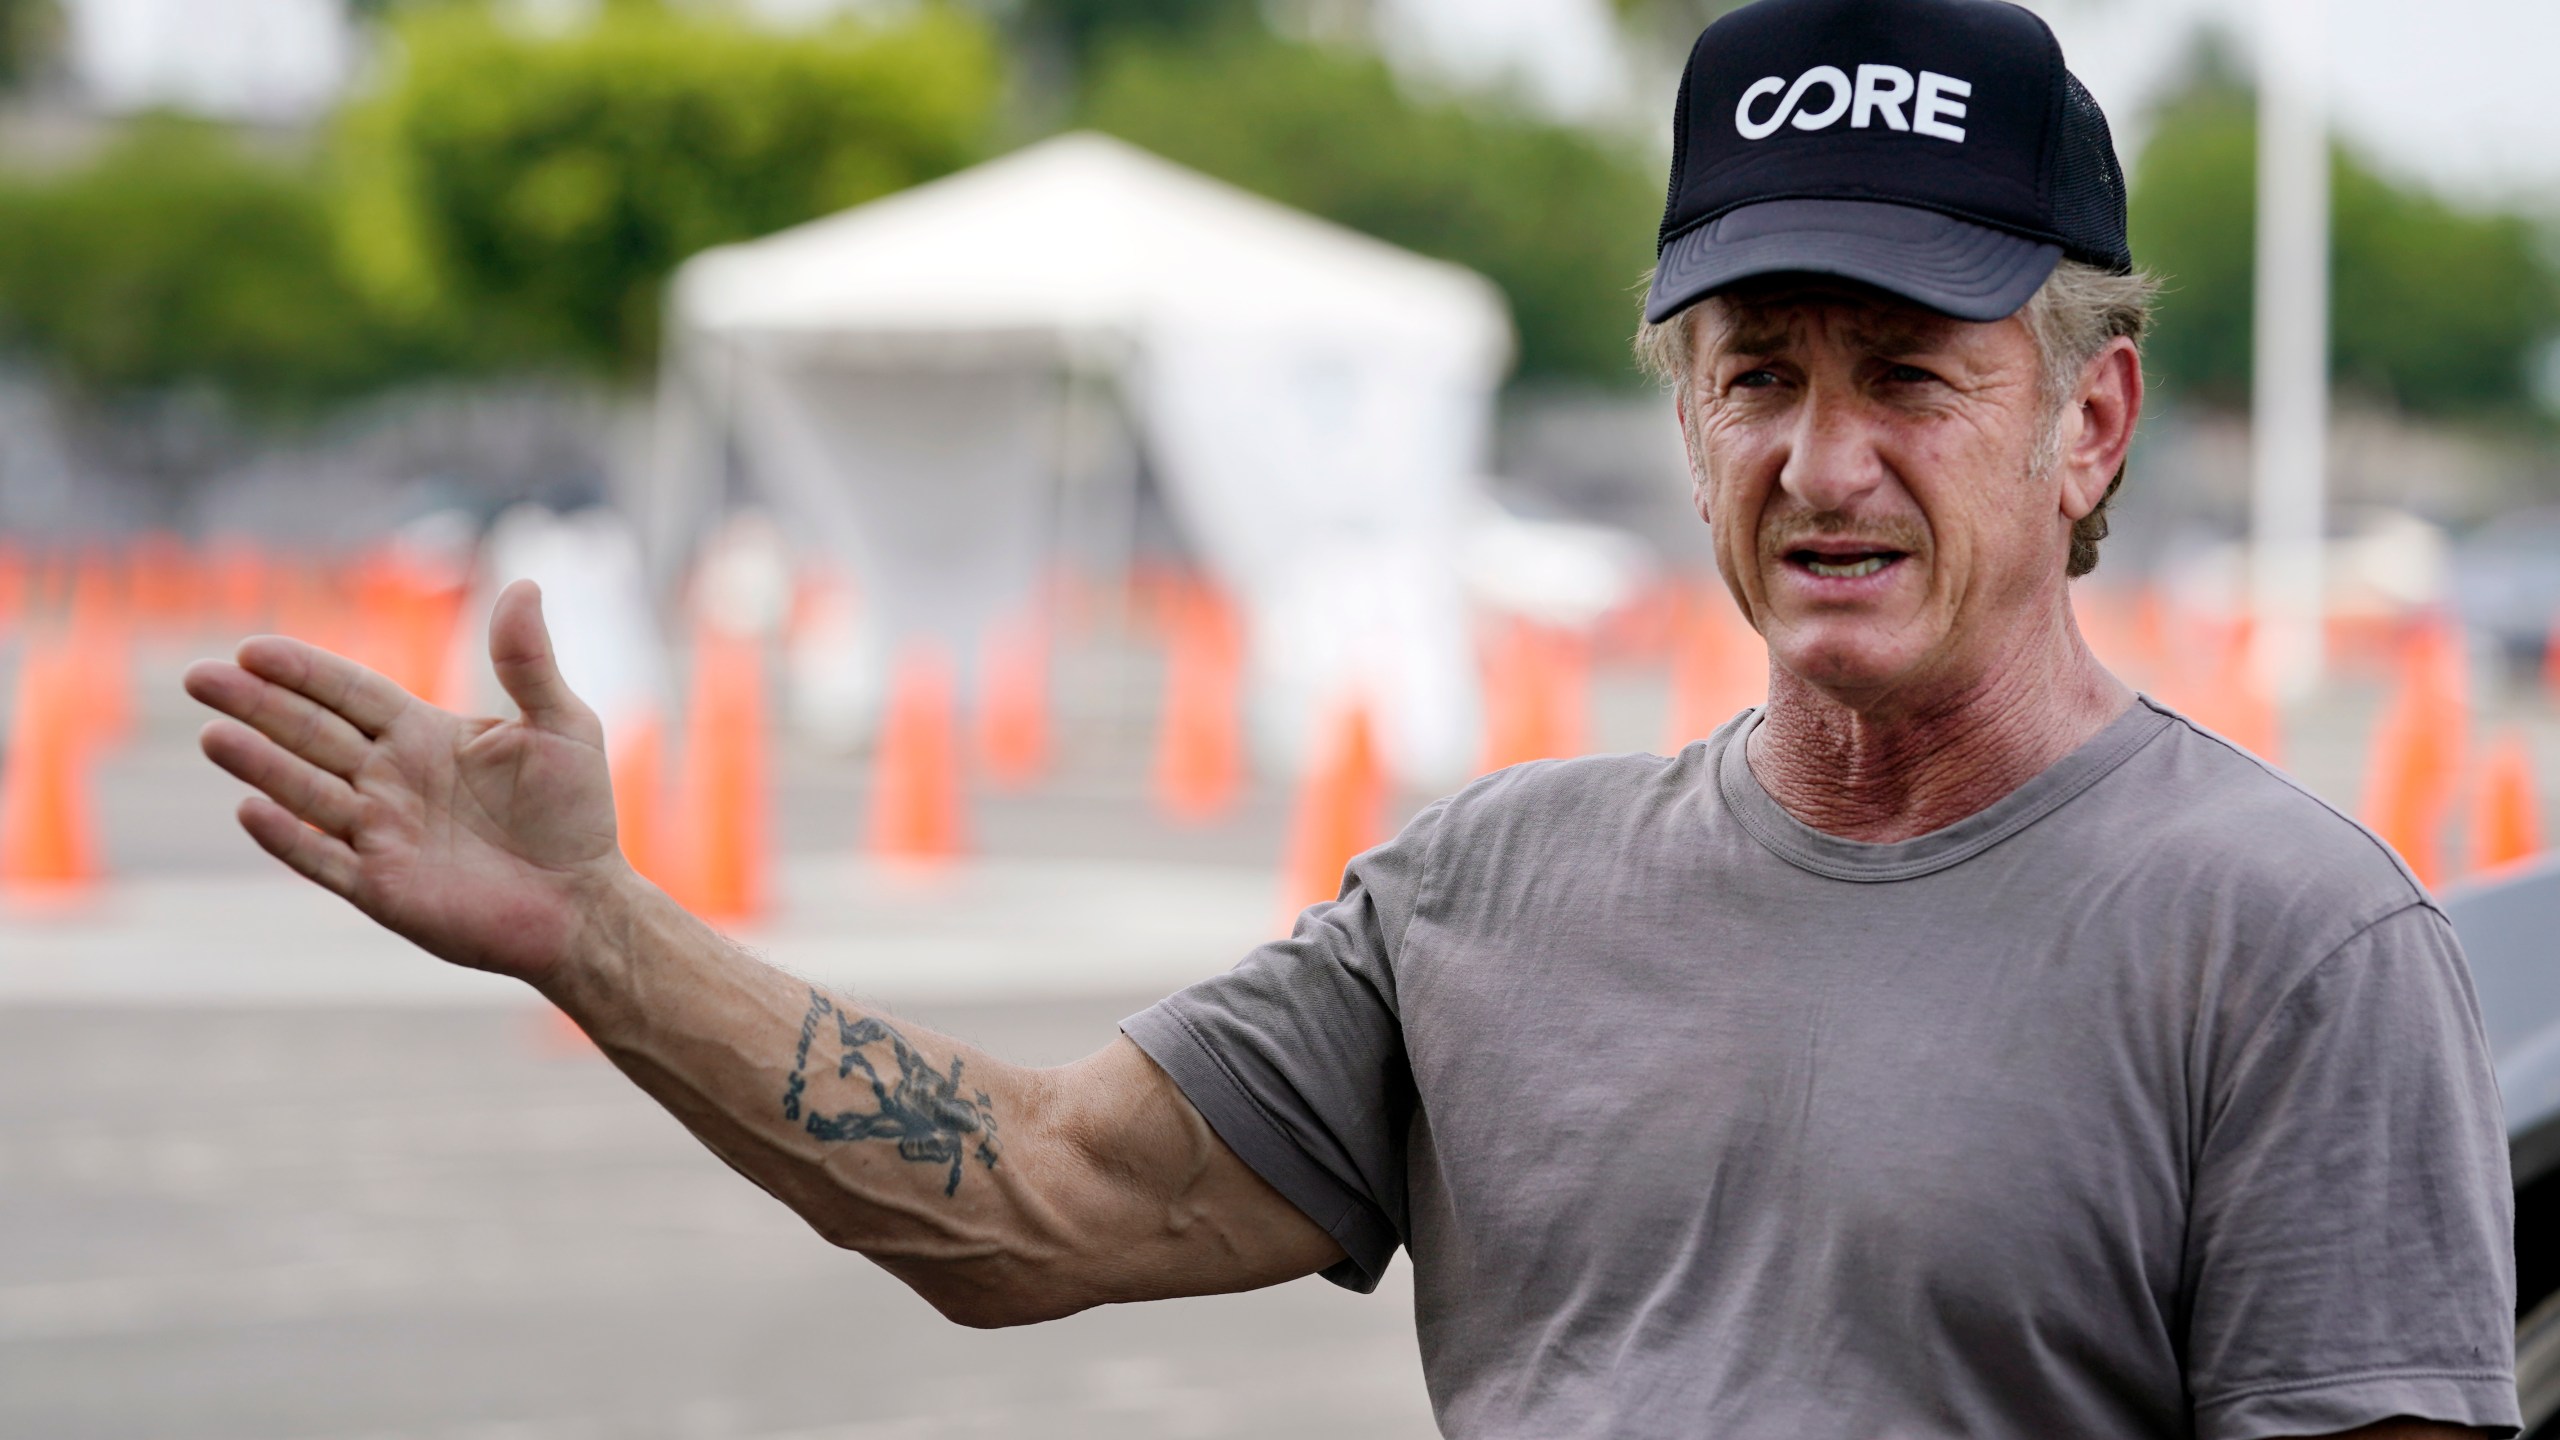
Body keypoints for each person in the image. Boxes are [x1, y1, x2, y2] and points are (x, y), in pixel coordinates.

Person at [182, 0, 2516, 1434]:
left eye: (1908, 375)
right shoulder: (1491, 889)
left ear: (2087, 423)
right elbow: (1029, 1201)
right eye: (1754, 377)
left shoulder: (2286, 949)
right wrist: (595, 928)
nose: (1821, 461)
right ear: (1681, 413)